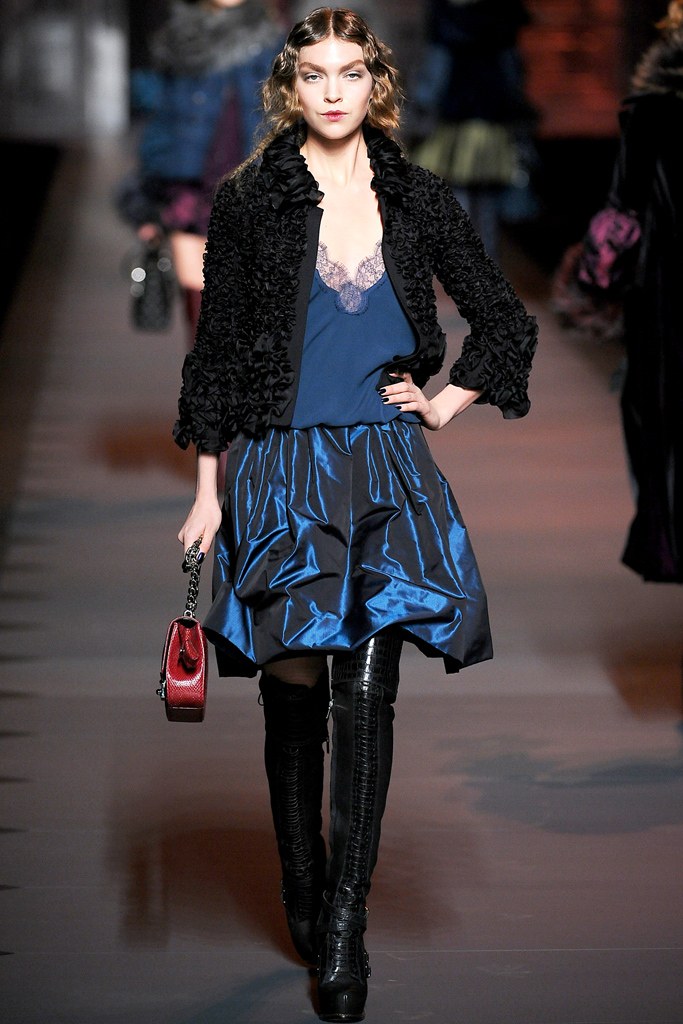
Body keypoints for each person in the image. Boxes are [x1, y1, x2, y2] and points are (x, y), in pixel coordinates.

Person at [174, 8, 537, 1021]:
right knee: (292, 690)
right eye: (313, 75)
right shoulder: (251, 198)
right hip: (282, 470)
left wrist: (446, 402)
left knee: (366, 697)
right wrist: (206, 491)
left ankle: (344, 925)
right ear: (288, 88)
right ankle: (300, 878)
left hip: (383, 471)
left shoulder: (415, 194)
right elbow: (217, 349)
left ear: (376, 83)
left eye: (349, 73)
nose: (332, 92)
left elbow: (502, 317)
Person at [117, 0, 282, 340]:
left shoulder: (275, 41)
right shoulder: (179, 40)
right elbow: (160, 122)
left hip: (255, 191)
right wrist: (148, 200)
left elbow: (287, 119)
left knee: (249, 307)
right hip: (189, 189)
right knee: (201, 309)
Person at [609, 1, 683, 583]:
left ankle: (669, 541)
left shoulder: (650, 110)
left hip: (666, 288)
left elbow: (624, 206)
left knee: (663, 416)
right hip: (661, 288)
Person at [408, 0, 537, 263]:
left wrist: (421, 109)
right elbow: (512, 71)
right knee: (485, 199)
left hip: (456, 119)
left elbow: (435, 71)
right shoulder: (502, 17)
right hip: (490, 119)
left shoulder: (447, 17)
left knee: (459, 195)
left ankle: (464, 263)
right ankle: (483, 262)